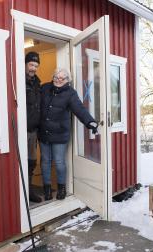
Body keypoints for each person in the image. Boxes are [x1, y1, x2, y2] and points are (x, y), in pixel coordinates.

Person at [39, 68, 98, 200]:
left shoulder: (70, 93)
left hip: (59, 134)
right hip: (44, 132)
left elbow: (79, 109)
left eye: (63, 78)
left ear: (68, 80)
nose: (59, 80)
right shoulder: (45, 88)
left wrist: (90, 122)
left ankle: (61, 188)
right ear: (52, 77)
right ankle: (47, 189)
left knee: (59, 162)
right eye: (56, 77)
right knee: (45, 162)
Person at [25, 51, 42, 203]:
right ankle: (21, 193)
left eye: (36, 66)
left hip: (33, 131)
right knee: (21, 162)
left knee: (31, 162)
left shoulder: (37, 83)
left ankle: (29, 191)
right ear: (25, 64)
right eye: (31, 64)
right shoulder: (20, 81)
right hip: (21, 131)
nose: (34, 68)